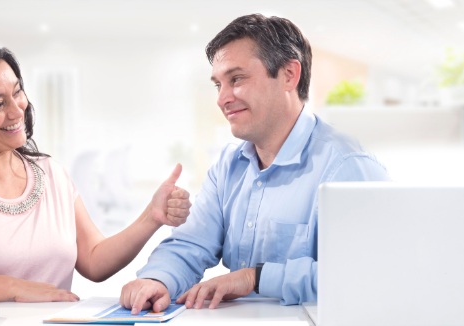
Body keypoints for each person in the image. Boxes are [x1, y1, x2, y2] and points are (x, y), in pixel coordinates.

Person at [119, 14, 391, 313]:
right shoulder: (228, 165)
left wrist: (256, 278)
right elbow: (191, 245)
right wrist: (159, 279)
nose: (222, 98)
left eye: (236, 79)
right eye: (218, 85)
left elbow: (370, 274)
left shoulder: (348, 166)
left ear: (289, 74)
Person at [0, 42, 192, 304]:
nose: (17, 110)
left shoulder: (51, 173)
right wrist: (13, 287)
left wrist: (151, 217)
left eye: (17, 93)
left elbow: (93, 260)